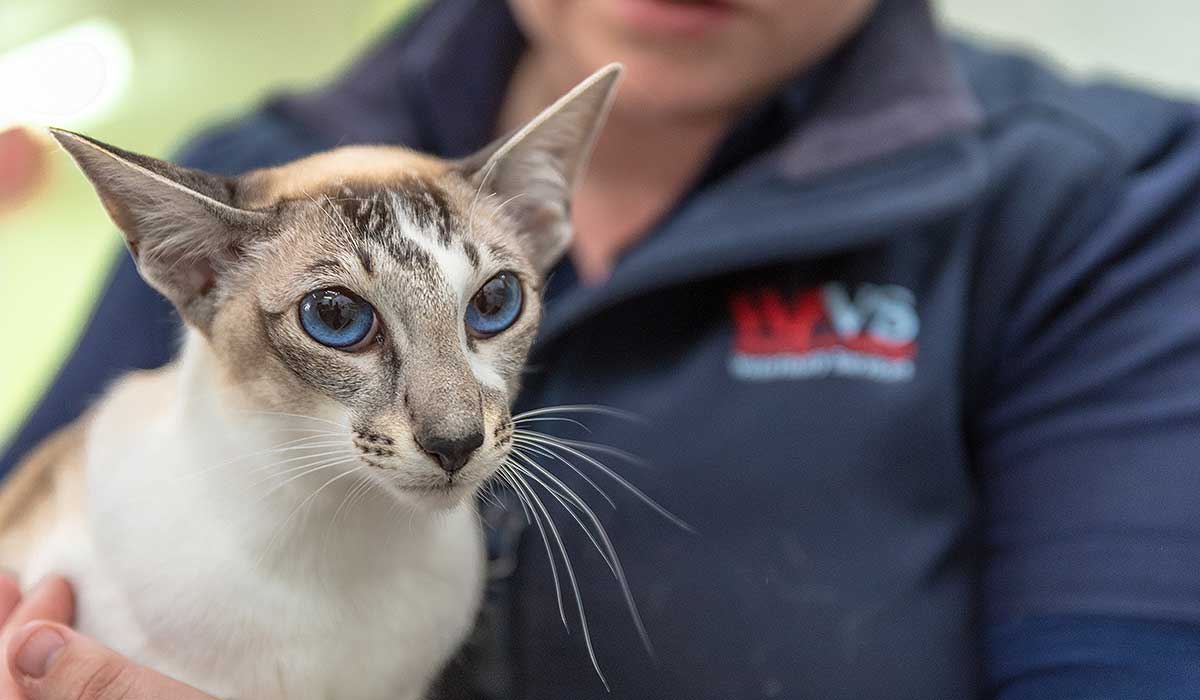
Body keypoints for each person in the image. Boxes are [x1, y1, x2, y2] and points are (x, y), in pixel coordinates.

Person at [3, 0, 1200, 697]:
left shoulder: (1111, 198)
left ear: (541, 219)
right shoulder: (249, 176)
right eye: (338, 318)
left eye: (490, 309)